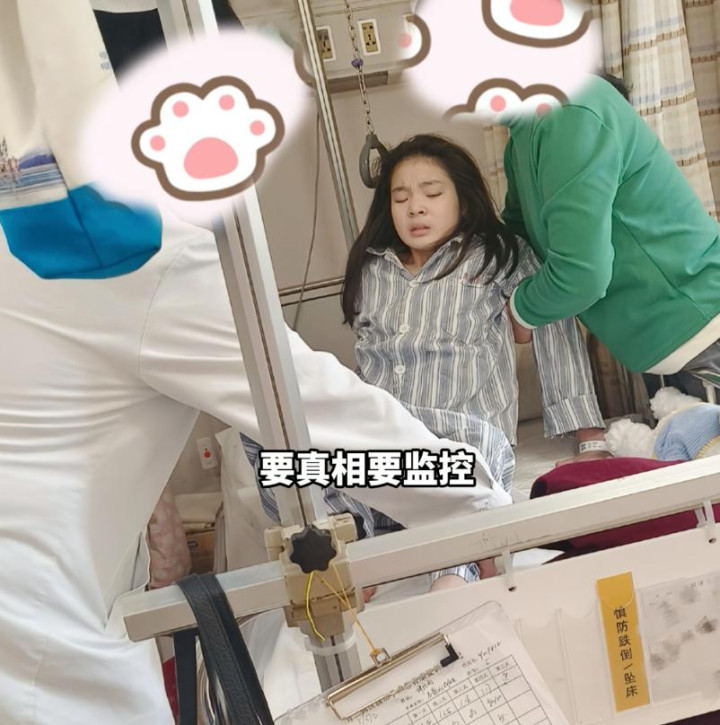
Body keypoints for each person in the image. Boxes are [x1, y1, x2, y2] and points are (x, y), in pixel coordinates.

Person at [502, 73, 720, 395]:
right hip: (666, 339)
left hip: (699, 323)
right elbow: (516, 236)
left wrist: (518, 312)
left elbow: (581, 276)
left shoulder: (568, 108)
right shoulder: (522, 135)